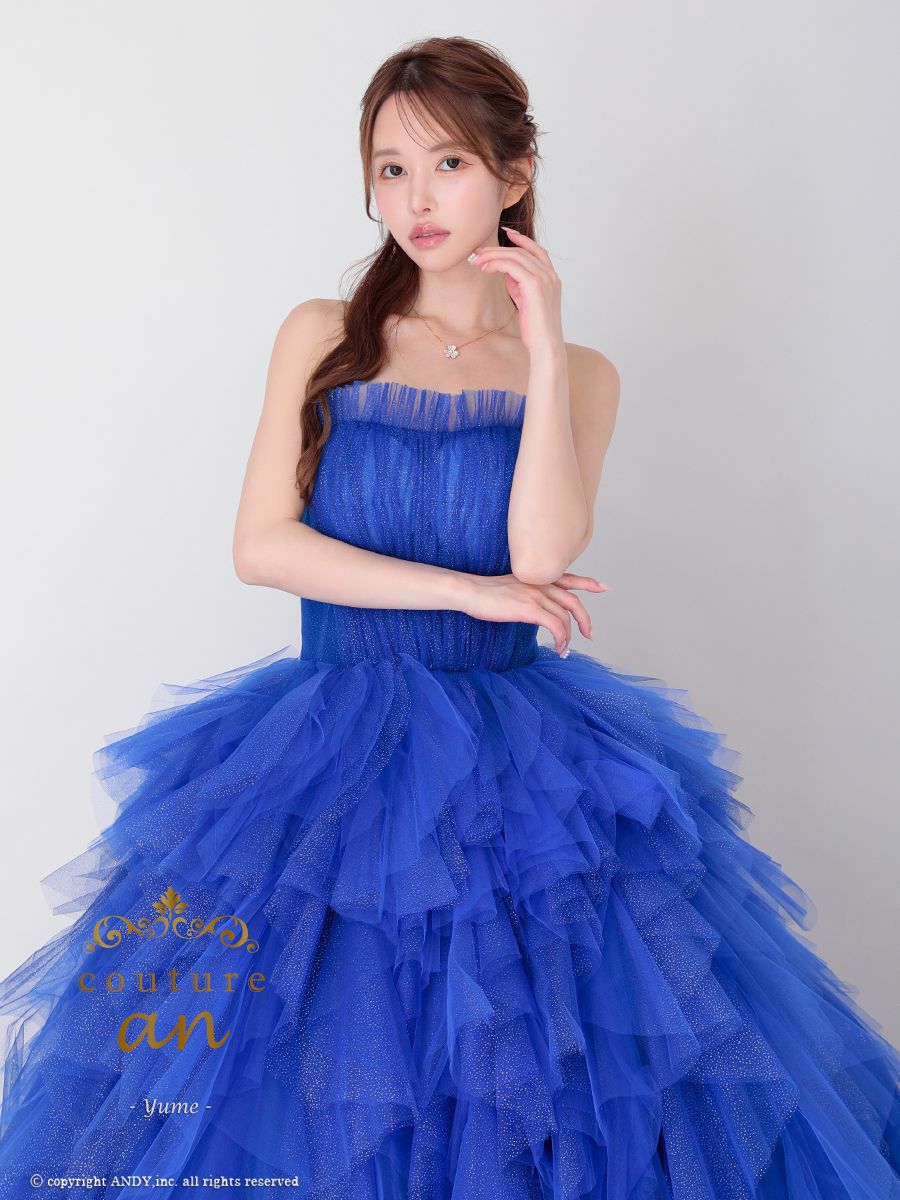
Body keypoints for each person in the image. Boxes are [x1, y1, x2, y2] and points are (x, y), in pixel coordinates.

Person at [0, 33, 897, 1200]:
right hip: (327, 750)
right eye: (390, 170)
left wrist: (543, 340)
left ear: (514, 175)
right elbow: (262, 546)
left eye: (449, 165)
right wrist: (464, 590)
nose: (415, 200)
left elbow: (542, 555)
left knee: (537, 1071)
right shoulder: (324, 334)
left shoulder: (581, 372)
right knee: (295, 1070)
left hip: (522, 770)